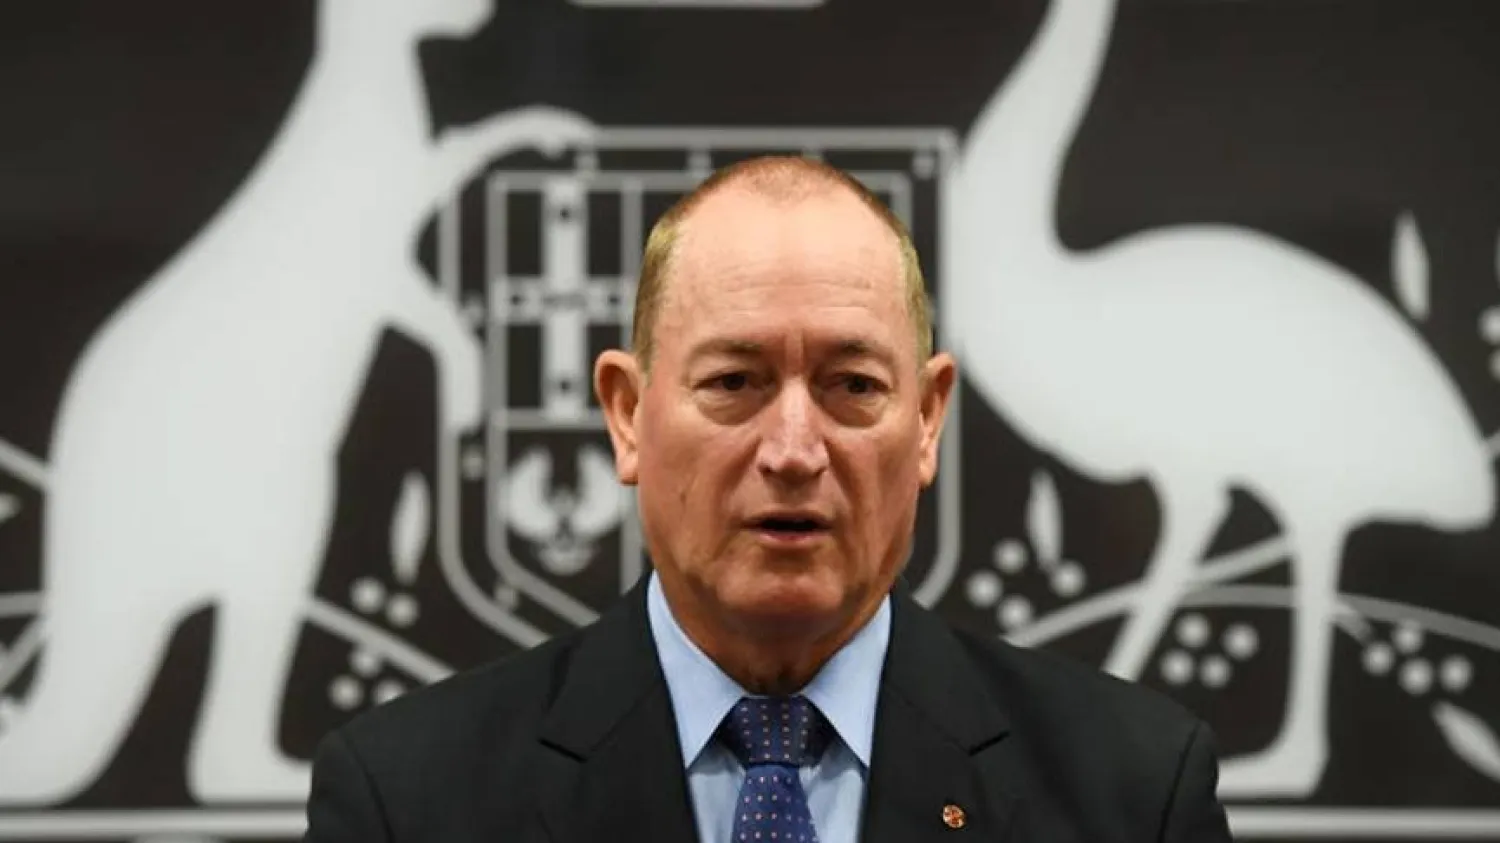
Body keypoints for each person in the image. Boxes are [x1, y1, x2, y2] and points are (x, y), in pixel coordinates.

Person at [302, 155, 1235, 842]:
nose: (793, 451)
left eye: (854, 386)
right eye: (736, 381)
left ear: (926, 421)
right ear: (627, 416)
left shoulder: (1134, 792)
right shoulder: (409, 800)